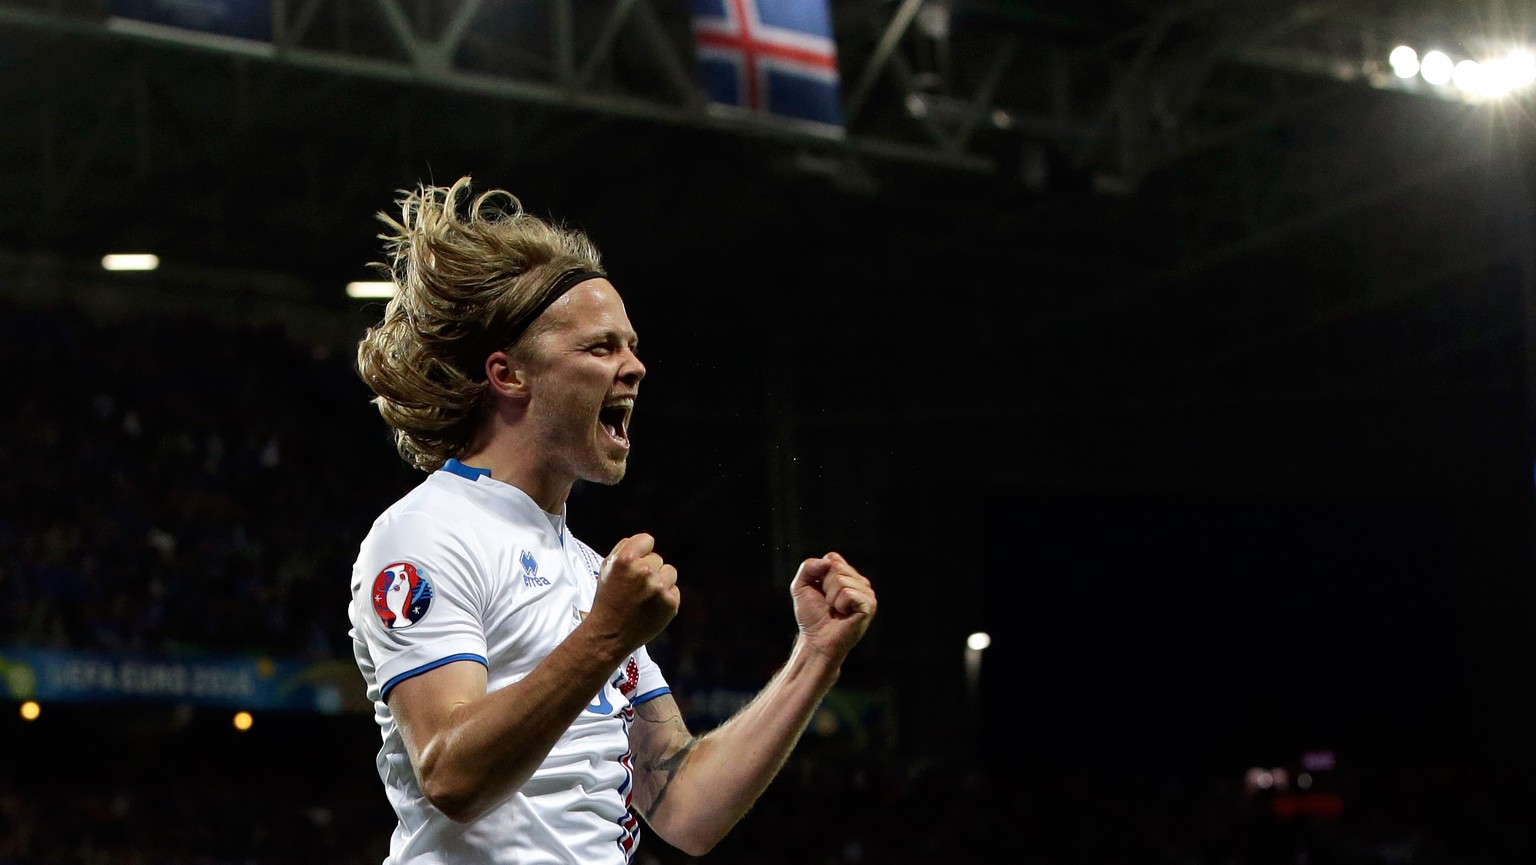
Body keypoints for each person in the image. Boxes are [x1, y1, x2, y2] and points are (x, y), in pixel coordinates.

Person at [347, 176, 878, 864]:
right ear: (509, 375)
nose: (636, 366)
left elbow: (683, 804)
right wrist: (603, 634)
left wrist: (816, 656)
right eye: (602, 348)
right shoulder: (426, 531)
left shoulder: (585, 569)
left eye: (630, 345)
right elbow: (450, 773)